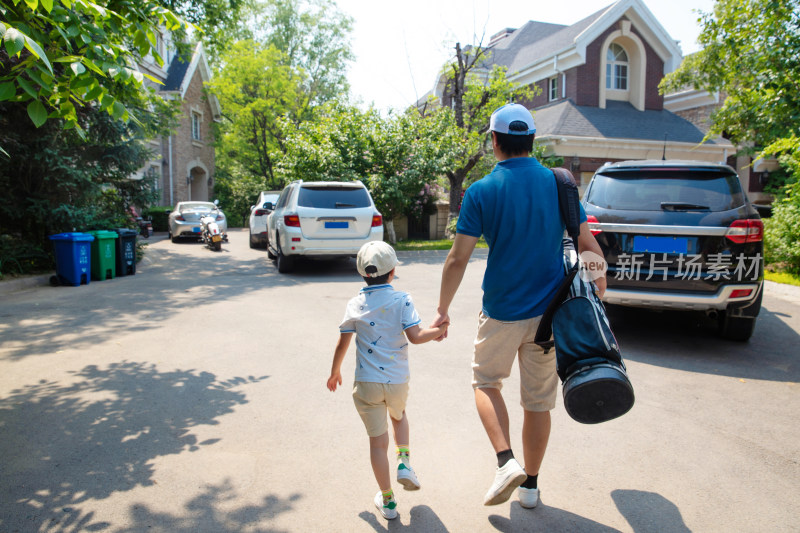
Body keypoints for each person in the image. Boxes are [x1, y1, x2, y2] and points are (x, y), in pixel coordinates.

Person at [432, 103, 606, 508]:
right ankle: (530, 485)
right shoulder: (560, 185)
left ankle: (505, 460)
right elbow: (589, 247)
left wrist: (442, 310)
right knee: (538, 402)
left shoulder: (480, 192)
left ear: (494, 141)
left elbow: (457, 258)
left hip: (502, 312)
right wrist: (599, 290)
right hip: (550, 317)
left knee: (486, 383)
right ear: (531, 141)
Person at [327, 240, 449, 520]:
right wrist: (439, 329)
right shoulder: (402, 299)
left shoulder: (355, 303)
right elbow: (417, 337)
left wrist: (335, 371)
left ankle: (388, 502)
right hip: (396, 381)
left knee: (377, 443)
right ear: (393, 271)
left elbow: (342, 344)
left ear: (361, 273)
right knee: (399, 415)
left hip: (367, 385)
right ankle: (404, 461)